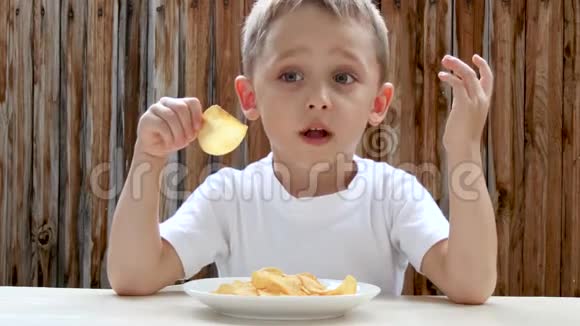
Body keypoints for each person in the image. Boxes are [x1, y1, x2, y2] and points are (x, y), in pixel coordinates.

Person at [106, 0, 497, 304]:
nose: (318, 99)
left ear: (378, 103)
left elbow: (471, 283)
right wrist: (149, 157)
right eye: (291, 76)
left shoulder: (395, 195)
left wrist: (463, 149)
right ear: (250, 96)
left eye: (343, 77)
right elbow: (132, 276)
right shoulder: (228, 197)